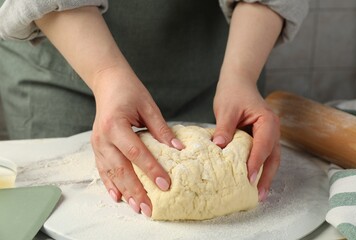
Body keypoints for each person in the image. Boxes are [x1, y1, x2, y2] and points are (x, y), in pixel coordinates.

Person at [0, 0, 309, 217]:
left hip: (221, 65)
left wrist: (240, 75)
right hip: (67, 55)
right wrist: (105, 74)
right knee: (58, 208)